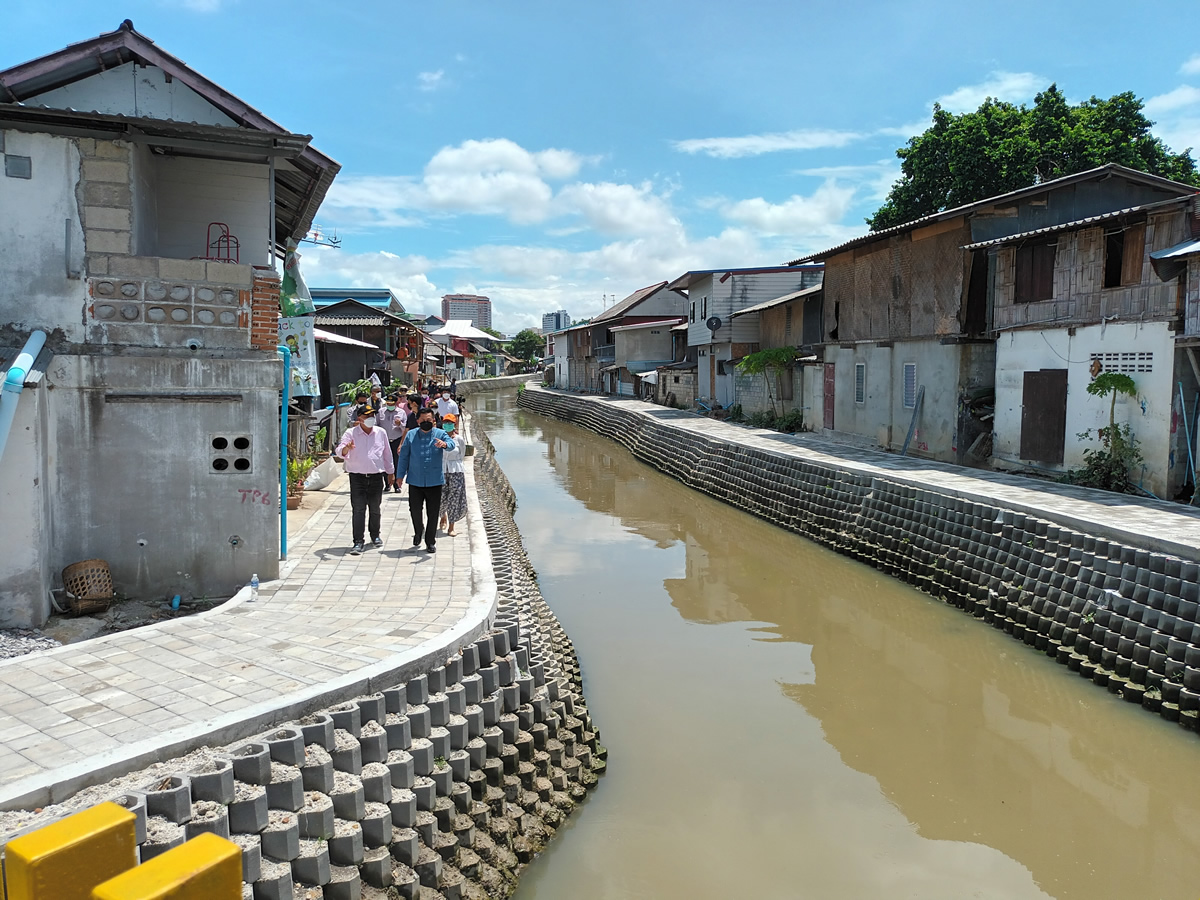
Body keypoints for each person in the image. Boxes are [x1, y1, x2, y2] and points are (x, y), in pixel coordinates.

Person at [335, 405, 395, 555]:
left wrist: (391, 472)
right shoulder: (351, 433)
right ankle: (358, 541)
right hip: (357, 477)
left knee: (375, 508)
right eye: (367, 416)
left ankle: (375, 536)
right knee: (358, 509)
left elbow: (387, 454)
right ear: (359, 418)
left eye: (372, 415)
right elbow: (339, 451)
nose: (371, 418)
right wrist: (346, 448)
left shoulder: (380, 432)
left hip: (376, 477)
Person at [395, 407, 455, 553]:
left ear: (433, 420)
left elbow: (451, 444)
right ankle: (418, 531)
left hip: (434, 481)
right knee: (415, 510)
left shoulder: (440, 434)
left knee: (433, 513)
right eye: (423, 420)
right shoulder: (411, 435)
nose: (426, 422)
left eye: (429, 420)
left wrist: (445, 444)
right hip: (415, 480)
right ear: (418, 421)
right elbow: (404, 457)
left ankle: (430, 541)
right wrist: (400, 476)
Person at [438, 418, 466, 537]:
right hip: (441, 470)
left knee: (454, 498)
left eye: (450, 423)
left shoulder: (459, 439)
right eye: (445, 423)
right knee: (441, 496)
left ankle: (451, 526)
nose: (447, 425)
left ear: (454, 424)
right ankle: (442, 515)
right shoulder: (439, 437)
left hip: (456, 471)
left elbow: (462, 454)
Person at [380, 393, 406, 492]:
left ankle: (396, 485)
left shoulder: (401, 412)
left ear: (396, 403)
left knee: (396, 462)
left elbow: (405, 428)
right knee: (385, 461)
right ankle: (387, 484)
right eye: (388, 403)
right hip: (384, 440)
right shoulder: (381, 412)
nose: (389, 405)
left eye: (391, 403)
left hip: (396, 440)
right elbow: (376, 425)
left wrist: (400, 424)